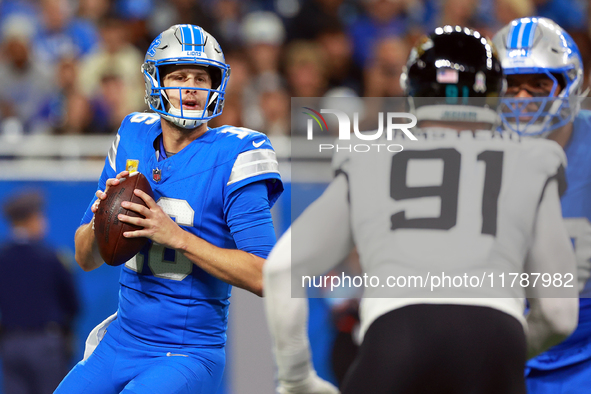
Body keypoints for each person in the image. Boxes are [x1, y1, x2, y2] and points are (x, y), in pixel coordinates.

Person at [263, 26, 579, 394]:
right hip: (496, 335)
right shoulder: (533, 159)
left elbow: (282, 269)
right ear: (497, 92)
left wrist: (296, 378)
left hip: (396, 336)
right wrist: (504, 353)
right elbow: (559, 313)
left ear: (412, 93)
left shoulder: (370, 157)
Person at [55, 24, 283, 394]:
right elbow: (85, 259)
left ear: (216, 86)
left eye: (200, 77)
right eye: (179, 75)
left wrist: (177, 237)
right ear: (155, 81)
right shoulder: (133, 134)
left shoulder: (238, 152)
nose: (191, 86)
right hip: (121, 340)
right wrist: (101, 222)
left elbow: (266, 276)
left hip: (187, 352)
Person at [493, 16, 591, 394]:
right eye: (510, 86)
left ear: (570, 84)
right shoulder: (471, 147)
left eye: (537, 85)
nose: (521, 100)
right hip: (498, 340)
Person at [0, 190, 80, 394]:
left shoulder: (3, 258)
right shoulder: (51, 258)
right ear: (33, 219)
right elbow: (72, 303)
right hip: (45, 345)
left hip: (11, 344)